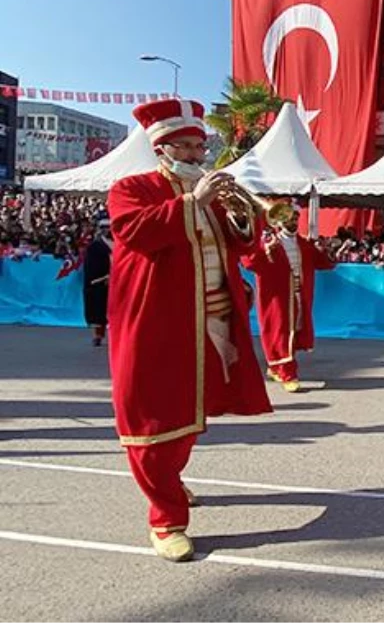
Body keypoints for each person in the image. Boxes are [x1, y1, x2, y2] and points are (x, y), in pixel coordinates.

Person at [108, 98, 272, 561]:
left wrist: (248, 213)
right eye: (188, 148)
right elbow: (135, 231)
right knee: (155, 416)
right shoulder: (131, 187)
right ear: (163, 148)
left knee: (193, 411)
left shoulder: (211, 195)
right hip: (157, 323)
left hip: (214, 320)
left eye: (201, 147)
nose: (199, 156)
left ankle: (170, 478)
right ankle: (166, 520)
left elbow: (241, 246)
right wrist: (191, 203)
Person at [242, 206, 336, 393]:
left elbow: (324, 263)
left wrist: (325, 249)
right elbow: (249, 263)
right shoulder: (269, 242)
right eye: (288, 220)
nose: (292, 223)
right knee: (279, 333)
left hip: (298, 295)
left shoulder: (303, 243)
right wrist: (264, 250)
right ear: (279, 222)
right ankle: (288, 375)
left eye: (295, 219)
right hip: (277, 298)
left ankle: (276, 367)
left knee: (293, 332)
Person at [82, 217, 113, 347]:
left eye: (109, 227)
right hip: (101, 281)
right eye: (104, 228)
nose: (107, 230)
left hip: (120, 280)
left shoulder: (123, 243)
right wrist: (103, 277)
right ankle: (98, 335)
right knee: (99, 309)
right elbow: (91, 266)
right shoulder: (95, 246)